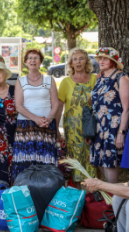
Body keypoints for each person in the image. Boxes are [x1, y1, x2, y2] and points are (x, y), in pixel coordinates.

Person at [12, 49, 59, 182]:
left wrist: (49, 119)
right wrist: (36, 119)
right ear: (26, 62)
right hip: (26, 126)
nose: (33, 60)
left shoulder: (50, 80)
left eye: (36, 58)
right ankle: (24, 193)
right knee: (25, 162)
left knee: (46, 161)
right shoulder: (20, 81)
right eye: (30, 58)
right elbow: (19, 106)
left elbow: (55, 104)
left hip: (47, 126)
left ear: (40, 62)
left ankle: (48, 190)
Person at [85, 47, 129, 183]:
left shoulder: (121, 78)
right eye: (100, 59)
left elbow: (127, 108)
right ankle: (108, 201)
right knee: (102, 164)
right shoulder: (100, 77)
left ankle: (114, 201)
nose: (101, 61)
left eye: (105, 59)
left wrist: (121, 132)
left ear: (113, 62)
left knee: (110, 164)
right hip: (98, 128)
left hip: (113, 128)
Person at [56, 48, 97, 188]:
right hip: (72, 129)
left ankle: (93, 191)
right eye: (75, 59)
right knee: (76, 158)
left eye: (81, 58)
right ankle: (78, 191)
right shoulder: (66, 82)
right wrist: (56, 128)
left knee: (91, 157)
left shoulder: (94, 79)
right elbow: (59, 107)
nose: (78, 62)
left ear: (86, 61)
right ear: (71, 63)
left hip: (91, 126)